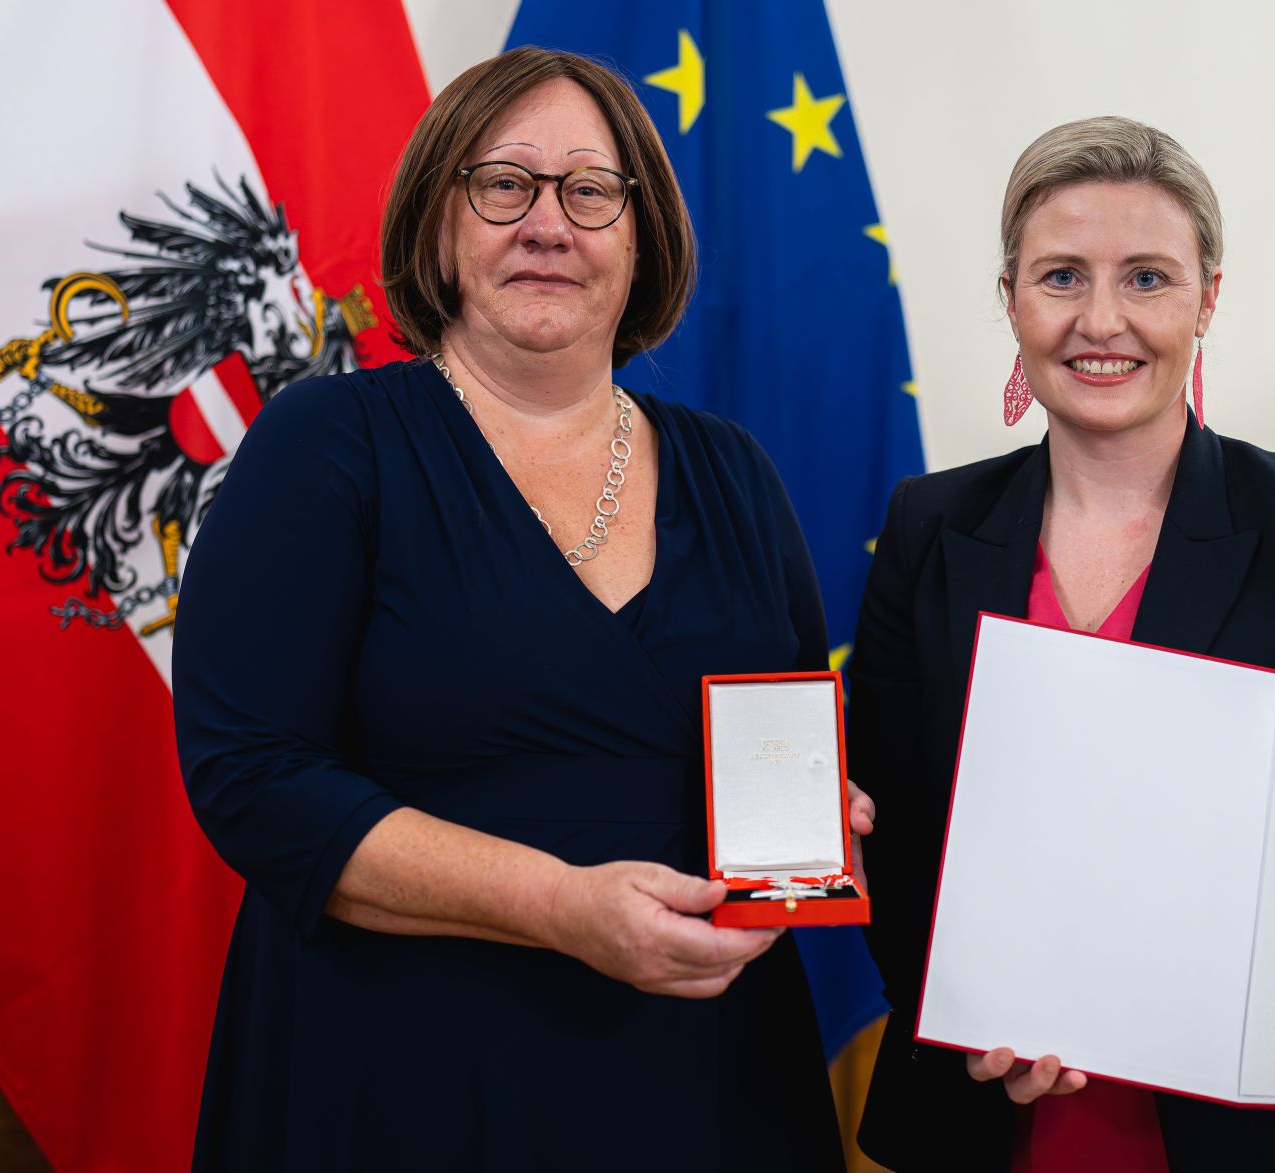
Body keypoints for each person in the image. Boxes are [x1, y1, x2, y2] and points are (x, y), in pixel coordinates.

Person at [172, 46, 859, 1172]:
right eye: (505, 185)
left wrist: (824, 819)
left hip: (706, 1075)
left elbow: (780, 741)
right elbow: (251, 778)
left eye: (590, 192)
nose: (549, 224)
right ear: (440, 223)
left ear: (639, 240)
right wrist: (557, 905)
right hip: (403, 1080)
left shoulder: (733, 471)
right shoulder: (325, 447)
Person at [849, 117, 1275, 1172]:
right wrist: (967, 1018)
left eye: (1148, 279)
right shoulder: (926, 528)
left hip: (1267, 1126)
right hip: (995, 1114)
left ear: (1207, 298)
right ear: (1010, 299)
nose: (1101, 320)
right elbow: (897, 838)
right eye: (1062, 276)